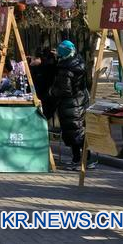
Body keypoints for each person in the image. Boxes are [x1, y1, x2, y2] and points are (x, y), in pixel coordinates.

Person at [50, 40, 94, 169]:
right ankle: (82, 159)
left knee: (74, 132)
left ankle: (83, 160)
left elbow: (65, 89)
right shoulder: (77, 62)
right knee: (77, 131)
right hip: (80, 101)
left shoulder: (65, 69)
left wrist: (52, 92)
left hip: (70, 104)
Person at [29, 46, 58, 121]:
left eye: (34, 58)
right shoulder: (36, 67)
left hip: (46, 96)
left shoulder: (47, 67)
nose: (32, 60)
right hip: (39, 95)